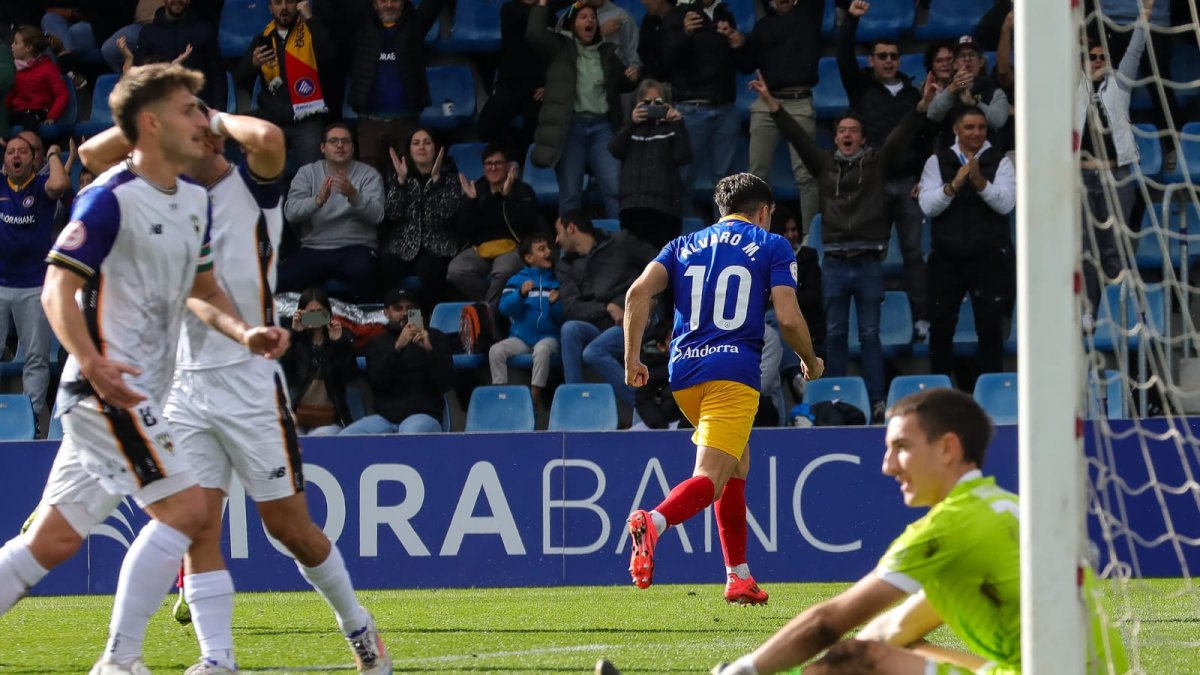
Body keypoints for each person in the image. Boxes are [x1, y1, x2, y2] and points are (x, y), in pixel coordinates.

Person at [78, 101, 392, 674]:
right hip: (183, 383)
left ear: (212, 142)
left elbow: (270, 136)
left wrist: (206, 115)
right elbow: (88, 155)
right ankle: (216, 658)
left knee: (289, 529)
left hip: (248, 383)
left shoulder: (253, 189)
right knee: (195, 523)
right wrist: (154, 111)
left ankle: (361, 630)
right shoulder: (163, 193)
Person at [0, 63, 289, 674]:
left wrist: (247, 332)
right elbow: (56, 290)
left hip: (129, 394)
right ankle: (120, 660)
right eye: (190, 109)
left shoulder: (191, 201)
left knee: (47, 543)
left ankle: (124, 660)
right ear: (152, 125)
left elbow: (205, 291)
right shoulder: (108, 198)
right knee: (188, 513)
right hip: (108, 392)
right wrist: (92, 364)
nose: (203, 121)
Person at [707, 388, 1128, 675]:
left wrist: (742, 669)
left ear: (948, 448)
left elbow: (827, 623)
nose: (888, 466)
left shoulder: (951, 525)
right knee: (880, 649)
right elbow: (890, 631)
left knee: (858, 661)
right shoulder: (1001, 509)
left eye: (902, 448)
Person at [621, 173, 824, 603]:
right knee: (710, 479)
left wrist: (633, 358)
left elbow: (637, 294)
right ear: (764, 211)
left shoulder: (682, 245)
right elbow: (787, 319)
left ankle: (739, 575)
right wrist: (810, 359)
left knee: (736, 467)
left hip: (683, 375)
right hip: (732, 374)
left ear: (721, 209)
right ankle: (652, 522)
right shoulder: (773, 245)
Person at [750, 73, 934, 421]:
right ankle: (827, 401)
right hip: (833, 262)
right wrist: (772, 103)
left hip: (867, 261)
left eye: (853, 130)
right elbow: (795, 135)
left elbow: (902, 134)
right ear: (835, 138)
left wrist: (923, 104)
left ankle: (877, 401)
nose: (847, 135)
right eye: (842, 131)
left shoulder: (876, 163)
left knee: (869, 335)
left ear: (862, 138)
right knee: (834, 336)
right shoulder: (824, 165)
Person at [839, 0, 934, 341]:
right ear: (872, 61)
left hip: (908, 182)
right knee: (870, 255)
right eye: (882, 56)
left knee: (913, 253)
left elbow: (926, 139)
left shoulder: (914, 95)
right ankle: (874, 325)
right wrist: (851, 20)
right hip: (873, 185)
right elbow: (843, 57)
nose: (889, 61)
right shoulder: (861, 88)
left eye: (894, 56)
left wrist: (925, 177)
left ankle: (922, 319)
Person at [918, 107, 1016, 383]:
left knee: (990, 330)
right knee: (941, 329)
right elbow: (928, 205)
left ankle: (993, 392)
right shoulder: (937, 162)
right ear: (956, 130)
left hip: (989, 258)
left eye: (981, 127)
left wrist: (980, 183)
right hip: (946, 259)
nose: (976, 133)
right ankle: (940, 392)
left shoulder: (1001, 162)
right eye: (970, 127)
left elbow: (1007, 203)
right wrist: (954, 185)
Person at [1077, 0, 1153, 327]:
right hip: (1081, 177)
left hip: (1116, 175)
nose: (1097, 62)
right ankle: (1089, 311)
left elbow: (1136, 50)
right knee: (1086, 250)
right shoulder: (1072, 91)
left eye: (1101, 57)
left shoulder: (1118, 87)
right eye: (1091, 58)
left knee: (1115, 252)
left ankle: (1122, 314)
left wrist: (1144, 17)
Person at [526, 0, 634, 219]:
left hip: (602, 128)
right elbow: (534, 33)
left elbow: (624, 83)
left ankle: (619, 244)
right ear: (572, 24)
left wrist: (632, 77)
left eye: (593, 17)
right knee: (570, 196)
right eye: (583, 17)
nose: (590, 21)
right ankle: (570, 252)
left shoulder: (607, 53)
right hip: (571, 129)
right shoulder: (561, 49)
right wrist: (543, 3)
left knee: (614, 191)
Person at [0, 132, 70, 429]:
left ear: (34, 159)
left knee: (37, 358)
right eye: (11, 152)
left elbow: (61, 184)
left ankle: (32, 420)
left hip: (35, 285)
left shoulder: (42, 185)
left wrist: (54, 154)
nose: (16, 156)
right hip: (1, 284)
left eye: (23, 152)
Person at [556, 210, 657, 406]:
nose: (556, 240)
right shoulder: (565, 265)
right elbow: (571, 308)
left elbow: (658, 264)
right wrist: (607, 307)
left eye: (558, 232)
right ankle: (575, 406)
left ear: (571, 228)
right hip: (597, 324)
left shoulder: (620, 243)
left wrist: (649, 302)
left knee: (593, 352)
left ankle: (645, 404)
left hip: (631, 321)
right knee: (569, 329)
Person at [279, 123, 386, 303]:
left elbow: (378, 216)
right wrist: (317, 201)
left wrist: (353, 195)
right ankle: (302, 325)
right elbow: (291, 213)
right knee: (280, 281)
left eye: (345, 141)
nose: (340, 145)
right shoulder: (307, 173)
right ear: (322, 147)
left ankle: (362, 326)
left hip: (356, 247)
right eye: (333, 141)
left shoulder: (369, 175)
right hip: (315, 247)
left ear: (352, 147)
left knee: (367, 275)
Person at [742, 0, 822, 230]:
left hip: (799, 99)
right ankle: (756, 236)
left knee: (806, 174)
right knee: (757, 174)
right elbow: (747, 63)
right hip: (767, 99)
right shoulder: (762, 26)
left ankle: (810, 238)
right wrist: (737, 44)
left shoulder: (809, 15)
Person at [661, 0, 745, 217]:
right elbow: (665, 62)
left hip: (725, 109)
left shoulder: (726, 15)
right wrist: (685, 33)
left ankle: (723, 238)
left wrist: (737, 43)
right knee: (684, 177)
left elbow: (742, 64)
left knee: (726, 182)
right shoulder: (676, 15)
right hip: (690, 109)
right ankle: (685, 238)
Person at [233, 0, 336, 173]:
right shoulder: (262, 39)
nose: (283, 8)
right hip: (272, 119)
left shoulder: (312, 31)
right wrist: (253, 64)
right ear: (270, 8)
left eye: (289, 2)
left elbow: (330, 59)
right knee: (265, 179)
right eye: (277, 3)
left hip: (307, 121)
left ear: (298, 4)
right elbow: (240, 80)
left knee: (313, 179)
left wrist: (310, 19)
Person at [347, 0, 445, 176]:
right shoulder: (360, 25)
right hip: (369, 121)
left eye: (395, 0)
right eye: (383, 0)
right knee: (370, 186)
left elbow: (434, 5)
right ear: (374, 4)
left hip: (406, 121)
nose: (389, 4)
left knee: (409, 183)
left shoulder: (414, 25)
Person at [341, 288, 454, 435]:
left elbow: (446, 383)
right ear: (386, 312)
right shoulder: (377, 342)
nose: (404, 313)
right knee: (347, 437)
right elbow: (377, 380)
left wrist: (429, 350)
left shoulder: (435, 337)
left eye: (410, 308)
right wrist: (397, 348)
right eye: (398, 308)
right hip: (385, 418)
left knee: (410, 432)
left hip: (423, 415)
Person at [448, 143, 543, 303]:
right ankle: (495, 308)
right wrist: (470, 202)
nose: (493, 168)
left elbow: (528, 224)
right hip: (482, 249)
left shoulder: (522, 190)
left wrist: (508, 196)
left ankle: (489, 318)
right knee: (456, 270)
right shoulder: (476, 189)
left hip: (514, 247)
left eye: (498, 163)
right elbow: (464, 230)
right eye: (488, 163)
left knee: (502, 271)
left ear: (508, 166)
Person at [380, 128, 465, 307]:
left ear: (435, 149)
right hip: (403, 245)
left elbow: (448, 212)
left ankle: (428, 320)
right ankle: (395, 320)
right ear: (409, 150)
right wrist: (400, 182)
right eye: (416, 143)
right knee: (387, 264)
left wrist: (436, 182)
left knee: (429, 268)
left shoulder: (449, 176)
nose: (422, 147)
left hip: (438, 245)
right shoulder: (400, 175)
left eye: (427, 142)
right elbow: (392, 213)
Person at [608, 78, 692, 250]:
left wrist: (678, 124)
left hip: (664, 209)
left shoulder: (671, 128)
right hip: (632, 207)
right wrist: (630, 123)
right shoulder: (630, 128)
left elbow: (683, 157)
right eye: (646, 102)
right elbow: (615, 149)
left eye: (658, 102)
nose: (652, 106)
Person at [491, 235, 564, 409]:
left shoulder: (558, 280)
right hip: (521, 337)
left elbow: (563, 317)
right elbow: (504, 308)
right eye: (542, 249)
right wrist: (520, 295)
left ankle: (532, 400)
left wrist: (555, 304)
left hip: (549, 336)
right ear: (529, 258)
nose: (548, 252)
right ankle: (502, 397)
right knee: (496, 350)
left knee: (542, 350)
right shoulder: (517, 280)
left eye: (548, 248)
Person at [281, 287, 360, 436]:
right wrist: (294, 335)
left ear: (328, 313)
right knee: (291, 439)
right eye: (310, 314)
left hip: (329, 418)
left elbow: (350, 376)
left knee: (320, 438)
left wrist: (338, 344)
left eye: (320, 313)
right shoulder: (294, 340)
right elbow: (285, 372)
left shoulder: (341, 338)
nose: (315, 317)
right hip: (297, 415)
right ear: (300, 314)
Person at [124, 0, 226, 110]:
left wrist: (217, 111)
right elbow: (141, 76)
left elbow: (217, 75)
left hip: (198, 107)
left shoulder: (204, 30)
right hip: (161, 108)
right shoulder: (148, 33)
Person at [6, 26, 69, 135]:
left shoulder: (48, 68)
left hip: (39, 111)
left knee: (29, 120)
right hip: (19, 111)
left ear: (28, 48)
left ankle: (31, 149)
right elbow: (8, 95)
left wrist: (52, 116)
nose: (12, 46)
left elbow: (62, 95)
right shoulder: (14, 69)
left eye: (16, 43)